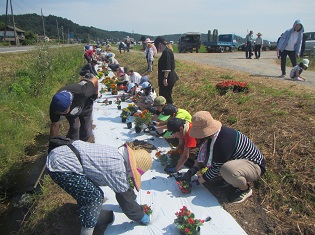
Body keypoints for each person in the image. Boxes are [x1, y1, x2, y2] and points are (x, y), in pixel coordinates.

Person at [46, 140, 152, 235]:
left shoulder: (116, 155)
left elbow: (125, 190)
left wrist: (133, 199)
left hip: (62, 154)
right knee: (94, 196)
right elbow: (125, 200)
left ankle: (91, 215)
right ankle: (87, 231)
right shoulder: (118, 169)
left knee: (87, 190)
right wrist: (140, 216)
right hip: (61, 167)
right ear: (132, 168)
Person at [182, 111, 266, 203]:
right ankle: (228, 179)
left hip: (254, 165)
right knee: (210, 160)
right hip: (237, 160)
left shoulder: (223, 141)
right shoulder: (213, 136)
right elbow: (201, 154)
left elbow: (216, 168)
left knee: (227, 170)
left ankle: (244, 189)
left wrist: (197, 182)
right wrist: (193, 169)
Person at [49, 75, 99, 141]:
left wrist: (95, 94)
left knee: (86, 130)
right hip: (73, 112)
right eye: (60, 113)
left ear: (70, 103)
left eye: (64, 112)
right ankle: (72, 145)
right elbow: (55, 124)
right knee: (74, 128)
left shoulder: (83, 92)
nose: (61, 114)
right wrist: (52, 141)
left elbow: (95, 79)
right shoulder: (55, 106)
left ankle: (84, 144)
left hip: (85, 106)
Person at [154, 36, 179, 104]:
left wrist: (165, 78)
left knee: (166, 98)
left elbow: (167, 67)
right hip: (168, 78)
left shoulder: (166, 52)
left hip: (168, 79)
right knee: (165, 97)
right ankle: (166, 111)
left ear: (160, 44)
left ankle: (170, 111)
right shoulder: (167, 51)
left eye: (156, 45)